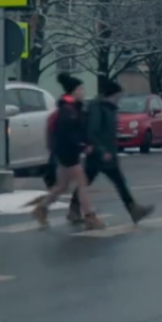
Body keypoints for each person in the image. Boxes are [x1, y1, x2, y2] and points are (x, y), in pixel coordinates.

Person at [66, 77, 154, 224]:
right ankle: (133, 210)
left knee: (91, 181)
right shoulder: (98, 108)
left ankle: (74, 210)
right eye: (118, 96)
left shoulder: (108, 108)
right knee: (114, 182)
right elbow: (93, 132)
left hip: (106, 153)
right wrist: (102, 151)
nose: (120, 99)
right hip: (100, 154)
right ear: (111, 95)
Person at [32, 73, 103, 230]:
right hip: (68, 153)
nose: (83, 92)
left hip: (65, 153)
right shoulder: (68, 110)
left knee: (61, 187)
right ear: (73, 91)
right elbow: (69, 134)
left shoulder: (73, 108)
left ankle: (41, 208)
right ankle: (90, 217)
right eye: (80, 89)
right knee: (82, 183)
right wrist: (82, 145)